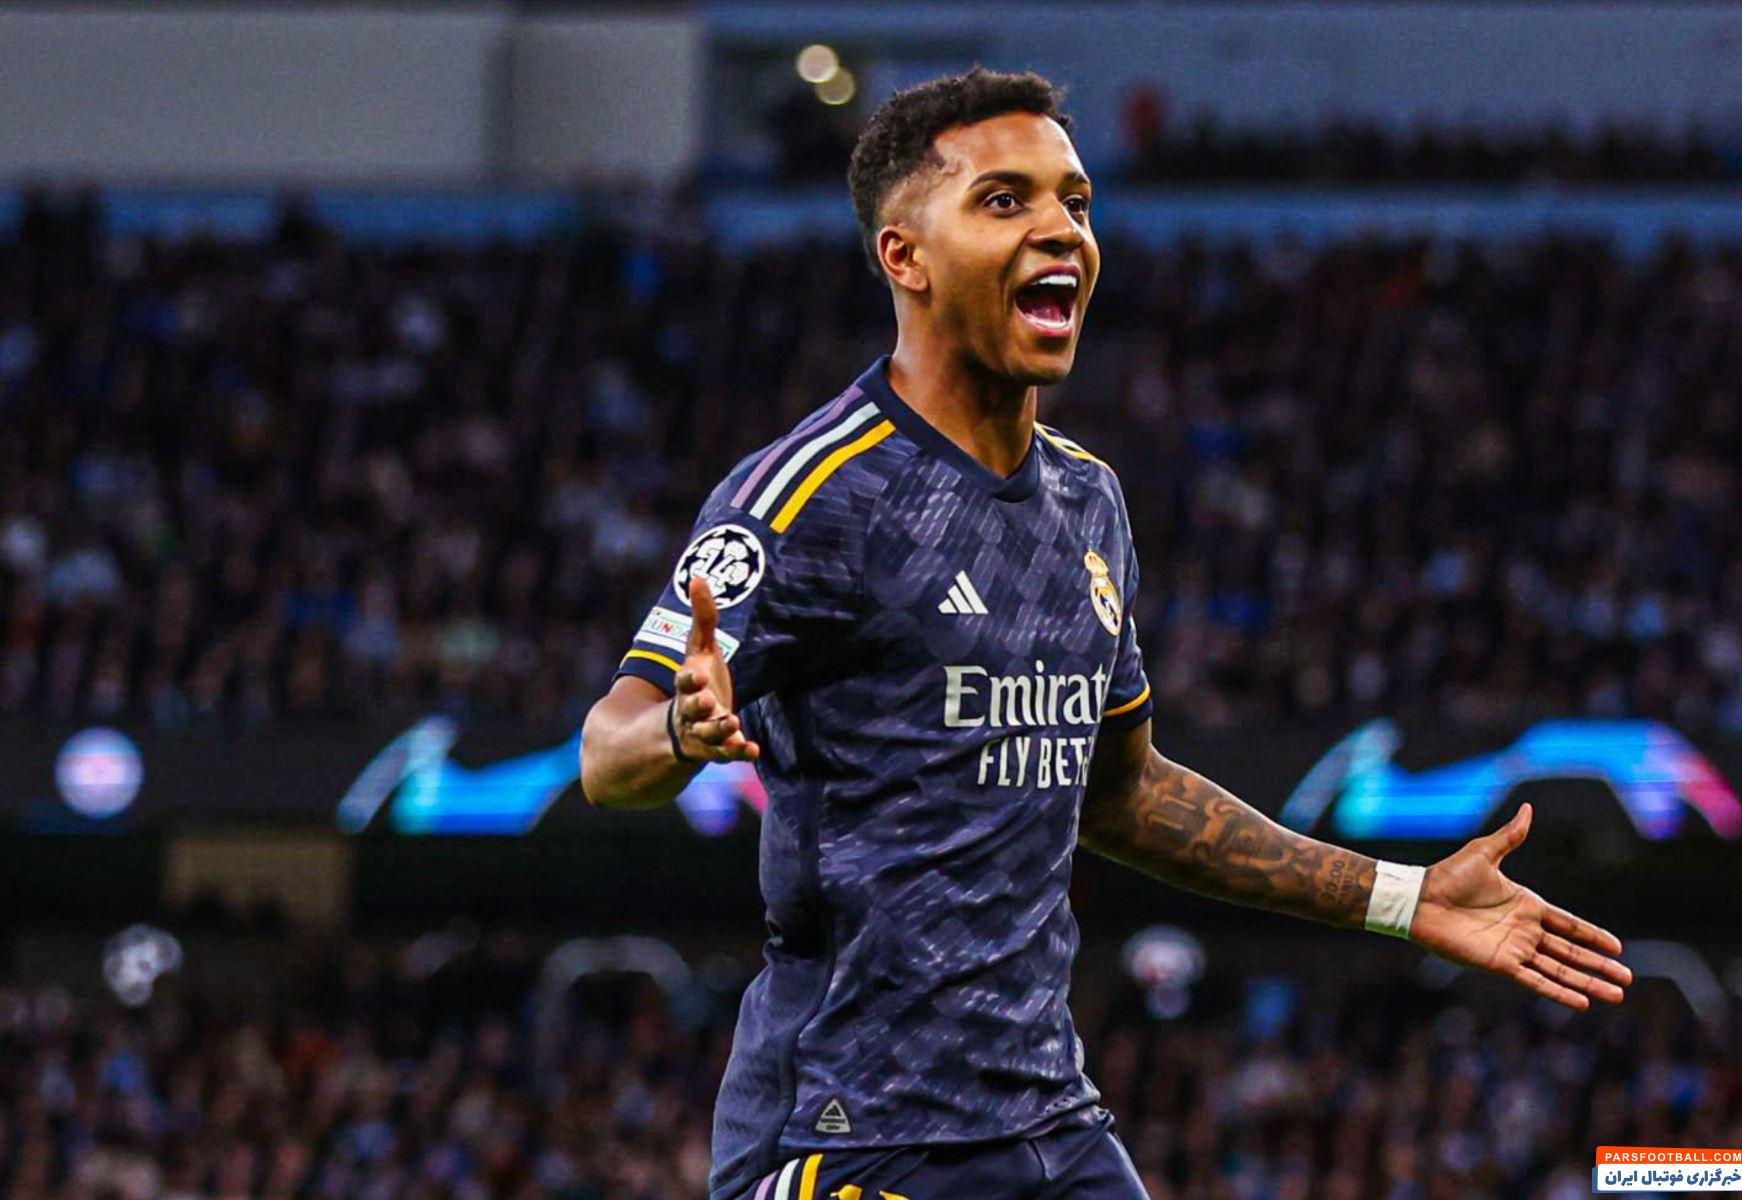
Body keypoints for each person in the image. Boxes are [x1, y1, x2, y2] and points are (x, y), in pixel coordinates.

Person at [579, 67, 1634, 1200]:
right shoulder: (812, 495)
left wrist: (1400, 897)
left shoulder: (1087, 499)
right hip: (850, 1133)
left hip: (1049, 1121)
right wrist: (680, 731)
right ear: (905, 257)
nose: (1061, 231)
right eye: (1005, 201)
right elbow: (607, 749)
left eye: (1075, 202)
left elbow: (1123, 793)